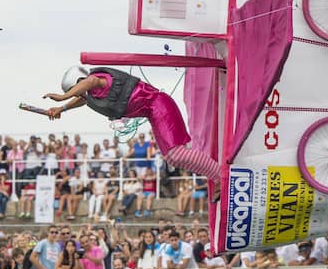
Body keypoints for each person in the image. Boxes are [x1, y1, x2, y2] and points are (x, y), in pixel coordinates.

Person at [43, 66, 221, 182]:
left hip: (159, 105)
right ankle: (215, 176)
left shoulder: (97, 79)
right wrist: (62, 108)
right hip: (153, 113)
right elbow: (83, 99)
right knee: (172, 158)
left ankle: (221, 175)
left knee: (177, 153)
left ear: (79, 82)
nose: (76, 95)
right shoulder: (93, 94)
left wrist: (62, 97)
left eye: (74, 90)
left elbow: (90, 82)